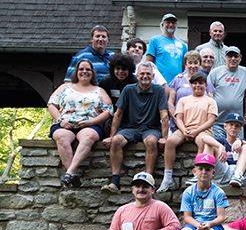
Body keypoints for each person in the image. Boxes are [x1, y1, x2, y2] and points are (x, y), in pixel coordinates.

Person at [102, 61, 168, 193]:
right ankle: (115, 181)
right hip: (130, 127)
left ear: (153, 75)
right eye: (142, 73)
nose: (145, 76)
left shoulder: (159, 90)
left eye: (148, 74)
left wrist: (165, 137)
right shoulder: (128, 89)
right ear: (137, 75)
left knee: (151, 142)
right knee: (116, 141)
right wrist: (111, 135)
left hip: (151, 128)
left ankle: (148, 180)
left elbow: (164, 115)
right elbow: (118, 114)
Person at [48, 59, 113, 187]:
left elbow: (109, 110)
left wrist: (92, 121)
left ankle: (69, 173)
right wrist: (61, 120)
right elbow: (51, 104)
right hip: (65, 123)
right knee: (61, 137)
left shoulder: (99, 90)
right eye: (81, 69)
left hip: (90, 124)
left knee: (88, 137)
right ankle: (72, 175)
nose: (84, 72)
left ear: (92, 73)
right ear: (76, 72)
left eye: (88, 69)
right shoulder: (65, 87)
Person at [157, 72, 219, 192]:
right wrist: (184, 130)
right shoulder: (183, 100)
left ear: (205, 85)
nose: (198, 86)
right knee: (170, 141)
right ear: (191, 85)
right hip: (184, 129)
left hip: (203, 130)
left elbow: (211, 120)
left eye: (201, 83)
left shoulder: (210, 101)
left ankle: (196, 175)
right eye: (195, 83)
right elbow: (178, 118)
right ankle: (167, 177)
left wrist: (196, 131)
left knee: (203, 143)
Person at [208, 46, 246, 139]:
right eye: (230, 56)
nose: (233, 59)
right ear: (225, 58)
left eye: (236, 56)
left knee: (236, 149)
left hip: (236, 122)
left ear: (240, 58)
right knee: (219, 148)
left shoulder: (245, 72)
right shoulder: (215, 72)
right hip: (217, 121)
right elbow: (208, 93)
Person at [214, 113, 246, 188]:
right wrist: (219, 146)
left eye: (237, 126)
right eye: (231, 124)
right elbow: (204, 138)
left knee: (245, 147)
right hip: (224, 173)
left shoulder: (245, 141)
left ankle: (237, 176)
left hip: (242, 177)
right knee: (212, 145)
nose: (234, 127)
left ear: (240, 129)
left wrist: (241, 141)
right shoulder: (220, 141)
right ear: (225, 126)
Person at [145, 13, 188, 83]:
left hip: (177, 84)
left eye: (173, 23)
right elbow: (149, 63)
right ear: (162, 25)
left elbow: (184, 67)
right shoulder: (155, 40)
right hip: (159, 84)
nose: (171, 25)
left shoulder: (183, 45)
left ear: (176, 25)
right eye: (168, 22)